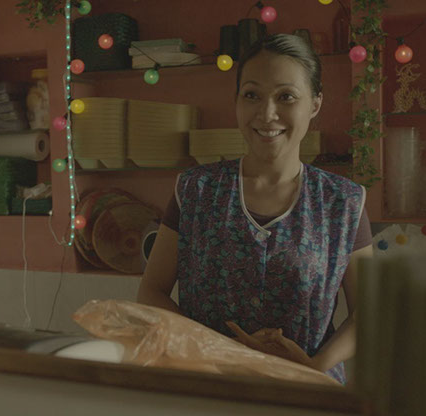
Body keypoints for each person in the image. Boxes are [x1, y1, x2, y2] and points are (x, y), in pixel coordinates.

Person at [137, 34, 373, 384]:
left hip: (306, 394)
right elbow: (151, 292)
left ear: (315, 104)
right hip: (207, 386)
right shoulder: (197, 190)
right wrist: (218, 351)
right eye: (251, 95)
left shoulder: (342, 202)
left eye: (286, 96)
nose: (267, 113)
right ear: (236, 101)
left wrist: (313, 366)